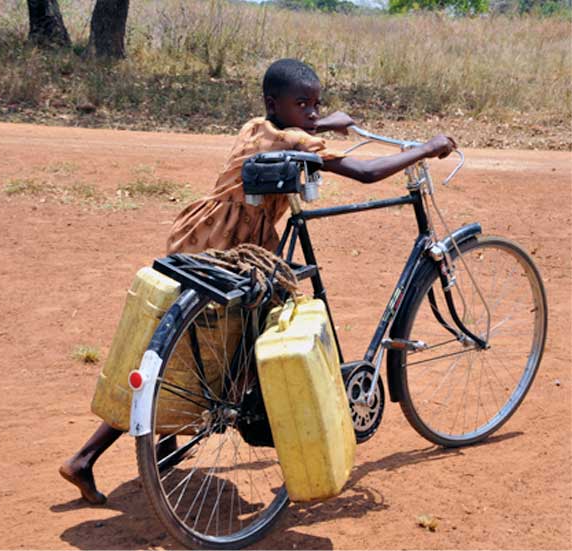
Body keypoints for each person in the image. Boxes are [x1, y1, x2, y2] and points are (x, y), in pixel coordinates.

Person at [60, 58, 456, 505]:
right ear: (274, 102)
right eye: (302, 104)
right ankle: (96, 454)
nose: (310, 112)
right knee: (255, 343)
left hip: (198, 236)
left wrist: (325, 122)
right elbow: (365, 172)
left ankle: (151, 437)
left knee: (196, 352)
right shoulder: (296, 139)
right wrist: (425, 148)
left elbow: (285, 130)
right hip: (236, 252)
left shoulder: (256, 126)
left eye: (316, 104)